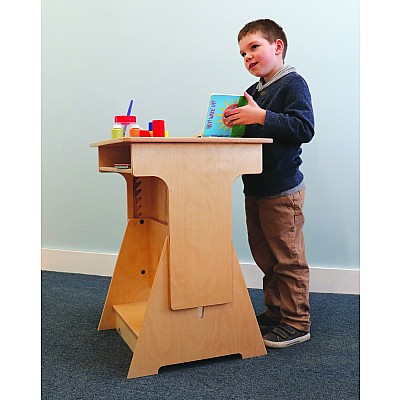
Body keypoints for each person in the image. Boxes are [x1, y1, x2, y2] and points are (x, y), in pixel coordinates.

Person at [223, 19, 315, 348]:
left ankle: (296, 320)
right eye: (242, 53)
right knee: (266, 256)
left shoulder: (292, 83)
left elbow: (303, 127)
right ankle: (276, 311)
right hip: (256, 188)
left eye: (254, 47)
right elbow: (258, 135)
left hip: (281, 190)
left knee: (287, 257)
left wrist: (260, 117)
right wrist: (236, 123)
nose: (247, 57)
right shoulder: (255, 92)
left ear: (277, 47)